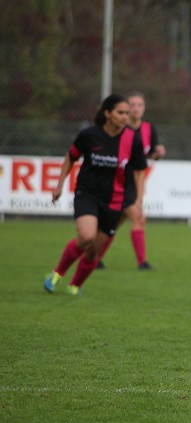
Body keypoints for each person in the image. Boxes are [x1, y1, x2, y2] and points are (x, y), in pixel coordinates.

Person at [43, 95, 147, 295]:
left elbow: (139, 171)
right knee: (86, 236)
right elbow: (71, 157)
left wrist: (139, 200)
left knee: (93, 252)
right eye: (120, 112)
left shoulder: (132, 139)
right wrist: (59, 185)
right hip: (87, 194)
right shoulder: (89, 135)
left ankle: (76, 286)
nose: (125, 117)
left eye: (127, 113)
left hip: (115, 200)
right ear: (107, 113)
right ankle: (57, 274)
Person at [96, 91, 163, 270]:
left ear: (144, 108)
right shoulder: (120, 129)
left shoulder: (149, 129)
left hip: (136, 180)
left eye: (139, 105)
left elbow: (151, 155)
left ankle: (94, 257)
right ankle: (142, 262)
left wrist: (158, 152)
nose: (135, 109)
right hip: (121, 181)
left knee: (114, 223)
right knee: (138, 217)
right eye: (131, 105)